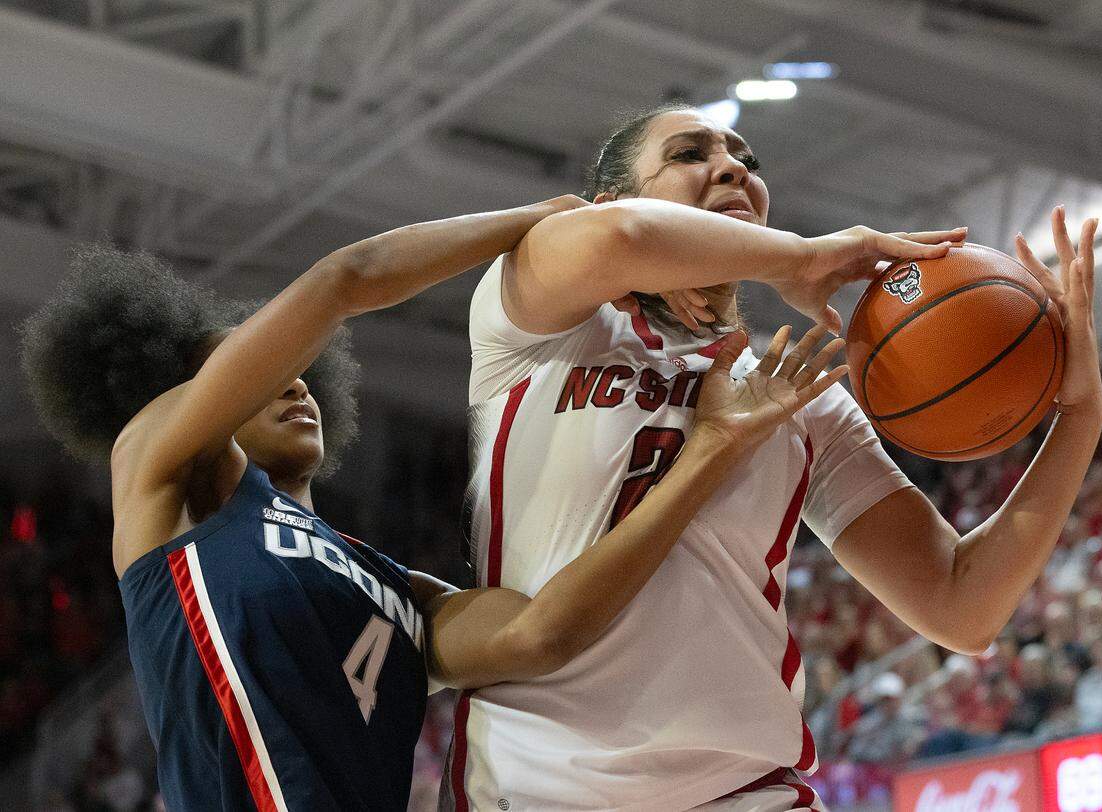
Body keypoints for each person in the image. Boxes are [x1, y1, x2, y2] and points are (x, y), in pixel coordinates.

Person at [19, 198, 846, 811]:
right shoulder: (164, 480)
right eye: (245, 369)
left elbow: (542, 631)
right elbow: (343, 280)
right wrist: (551, 219)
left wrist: (709, 453)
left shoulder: (389, 588)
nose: (291, 378)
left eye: (296, 370)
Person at [453, 101, 1102, 810]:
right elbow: (619, 238)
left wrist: (1079, 416)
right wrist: (804, 255)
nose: (732, 166)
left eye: (742, 161)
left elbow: (961, 606)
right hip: (537, 791)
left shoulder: (801, 393)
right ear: (614, 196)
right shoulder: (540, 324)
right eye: (689, 154)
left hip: (743, 792)